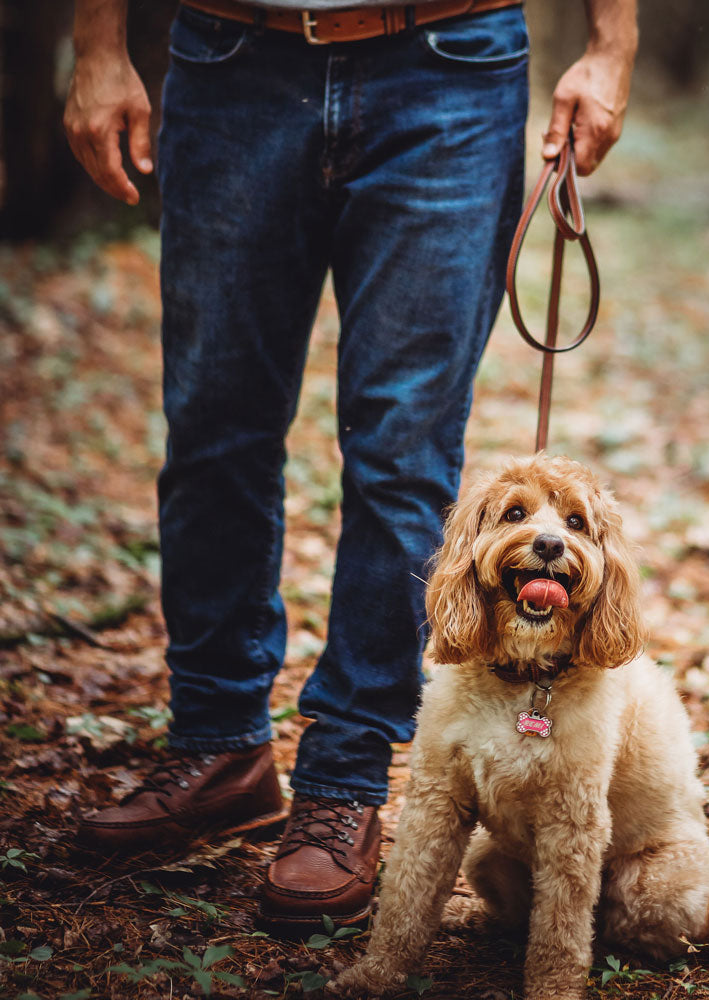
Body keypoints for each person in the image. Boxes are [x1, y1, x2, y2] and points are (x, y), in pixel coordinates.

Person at [64, 0, 636, 935]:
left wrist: (611, 48)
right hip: (227, 56)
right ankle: (217, 748)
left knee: (404, 452)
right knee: (213, 426)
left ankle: (346, 779)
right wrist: (96, 44)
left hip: (452, 66)